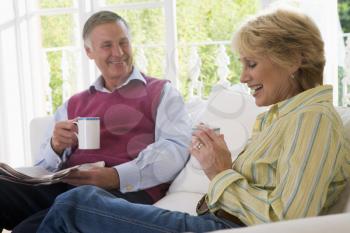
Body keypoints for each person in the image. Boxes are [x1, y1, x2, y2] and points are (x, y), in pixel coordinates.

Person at [37, 8, 350, 233]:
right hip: (218, 219)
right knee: (64, 203)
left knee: (75, 204)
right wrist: (222, 166)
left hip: (223, 226)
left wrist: (220, 172)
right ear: (89, 52)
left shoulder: (313, 120)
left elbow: (289, 219)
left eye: (251, 64)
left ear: (293, 60)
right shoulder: (283, 117)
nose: (243, 77)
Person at [0, 11, 191, 233]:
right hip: (69, 186)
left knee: (32, 227)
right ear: (89, 51)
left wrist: (116, 176)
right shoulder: (74, 103)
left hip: (123, 192)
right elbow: (42, 167)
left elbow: (175, 149)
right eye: (107, 45)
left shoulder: (161, 92)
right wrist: (56, 146)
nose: (118, 52)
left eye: (123, 42)